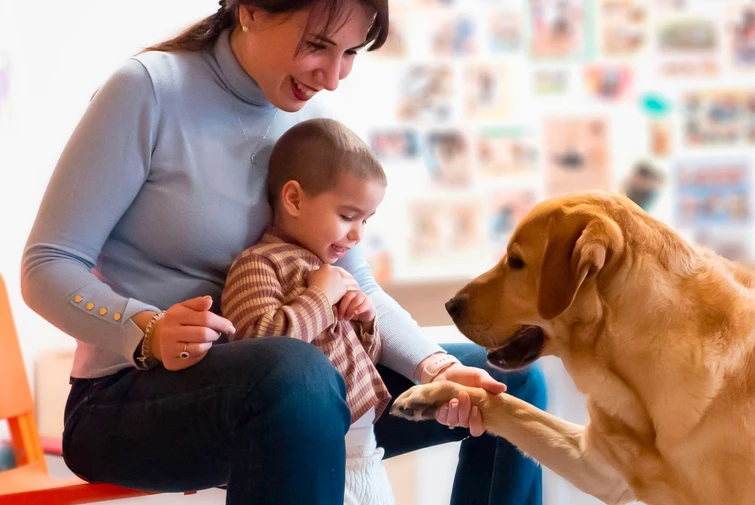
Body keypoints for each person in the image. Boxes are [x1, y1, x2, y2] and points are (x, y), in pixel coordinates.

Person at [20, 1, 547, 504]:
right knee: (298, 374)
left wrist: (435, 369)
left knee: (509, 384)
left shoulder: (307, 120)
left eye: (350, 54)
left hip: (292, 387)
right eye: (318, 45)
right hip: (126, 399)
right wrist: (145, 329)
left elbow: (351, 279)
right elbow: (47, 265)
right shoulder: (148, 90)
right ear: (249, 9)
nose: (333, 76)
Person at [222, 118, 394, 504]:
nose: (358, 235)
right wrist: (318, 298)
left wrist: (365, 322)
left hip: (365, 452)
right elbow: (258, 351)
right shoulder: (259, 264)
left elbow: (358, 363)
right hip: (318, 449)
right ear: (295, 200)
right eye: (348, 216)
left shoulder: (332, 274)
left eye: (365, 220)